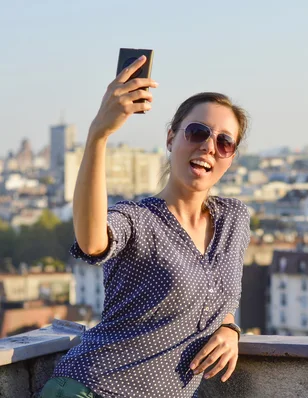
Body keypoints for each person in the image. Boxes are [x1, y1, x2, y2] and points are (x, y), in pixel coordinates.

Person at [40, 55, 251, 398]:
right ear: (171, 138)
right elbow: (92, 241)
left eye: (224, 141)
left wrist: (229, 329)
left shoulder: (234, 220)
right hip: (90, 388)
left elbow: (219, 294)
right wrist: (99, 134)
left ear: (230, 156)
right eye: (197, 132)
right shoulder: (139, 219)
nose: (209, 146)